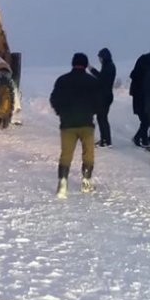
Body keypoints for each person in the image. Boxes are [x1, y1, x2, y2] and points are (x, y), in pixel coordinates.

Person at [50, 53, 101, 197]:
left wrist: (61, 113)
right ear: (85, 65)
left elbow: (54, 99)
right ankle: (86, 182)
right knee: (88, 154)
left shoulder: (62, 80)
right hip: (86, 123)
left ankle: (62, 185)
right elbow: (99, 102)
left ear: (73, 64)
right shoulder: (92, 81)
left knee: (66, 154)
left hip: (67, 125)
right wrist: (92, 111)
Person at [89, 48, 117, 147]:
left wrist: (92, 70)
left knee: (102, 118)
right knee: (102, 118)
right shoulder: (109, 66)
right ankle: (105, 140)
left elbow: (102, 79)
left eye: (100, 57)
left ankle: (106, 141)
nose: (99, 59)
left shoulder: (108, 67)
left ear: (103, 57)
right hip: (107, 95)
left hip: (104, 96)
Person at [129, 52, 150, 148]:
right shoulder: (145, 75)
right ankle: (140, 139)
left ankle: (141, 139)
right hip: (143, 99)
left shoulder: (139, 73)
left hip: (139, 99)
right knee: (146, 120)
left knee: (145, 120)